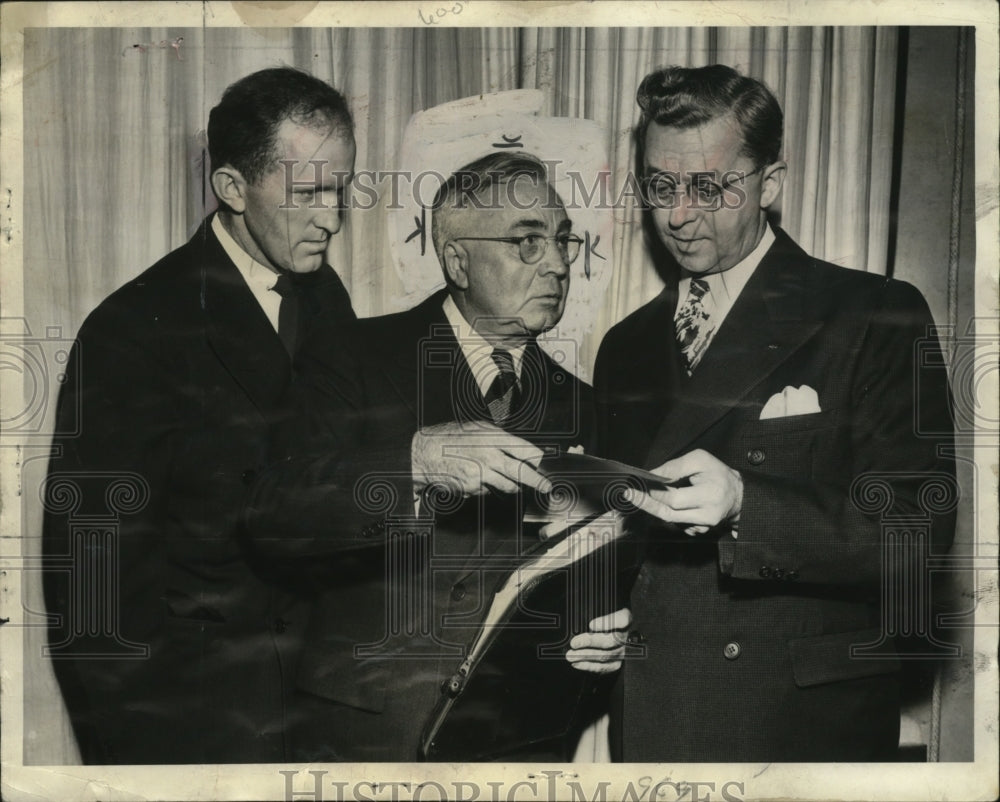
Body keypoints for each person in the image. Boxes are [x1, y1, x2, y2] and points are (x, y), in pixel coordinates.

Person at [590, 64, 956, 762]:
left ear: (772, 183)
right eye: (660, 186)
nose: (677, 214)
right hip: (653, 722)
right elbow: (625, 544)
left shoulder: (873, 313)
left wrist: (746, 505)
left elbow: (917, 538)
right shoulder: (626, 346)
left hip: (797, 734)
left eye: (708, 187)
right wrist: (590, 617)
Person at [245, 151, 607, 761]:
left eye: (563, 241)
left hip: (515, 741)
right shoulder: (352, 353)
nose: (557, 264)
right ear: (458, 260)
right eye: (527, 242)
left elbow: (581, 570)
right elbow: (271, 513)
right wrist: (412, 463)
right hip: (366, 738)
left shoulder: (585, 405)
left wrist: (602, 629)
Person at [41, 67, 357, 764]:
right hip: (197, 729)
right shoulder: (133, 329)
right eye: (307, 192)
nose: (331, 217)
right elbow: (93, 599)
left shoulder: (325, 296)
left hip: (320, 715)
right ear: (233, 189)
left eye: (341, 188)